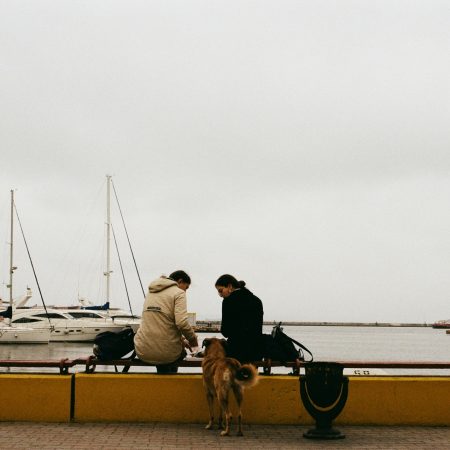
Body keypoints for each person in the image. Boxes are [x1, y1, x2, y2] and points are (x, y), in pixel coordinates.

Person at [134, 270, 198, 373]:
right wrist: (193, 341)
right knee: (174, 355)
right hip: (166, 354)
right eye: (186, 287)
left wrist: (181, 340)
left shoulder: (151, 292)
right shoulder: (179, 293)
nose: (185, 291)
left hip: (142, 351)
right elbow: (181, 323)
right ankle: (170, 385)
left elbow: (160, 324)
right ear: (180, 281)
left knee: (163, 353)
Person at [215, 274, 264, 363]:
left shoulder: (228, 301)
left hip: (236, 352)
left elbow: (225, 331)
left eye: (221, 291)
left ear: (230, 286)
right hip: (255, 352)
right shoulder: (257, 300)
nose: (220, 295)